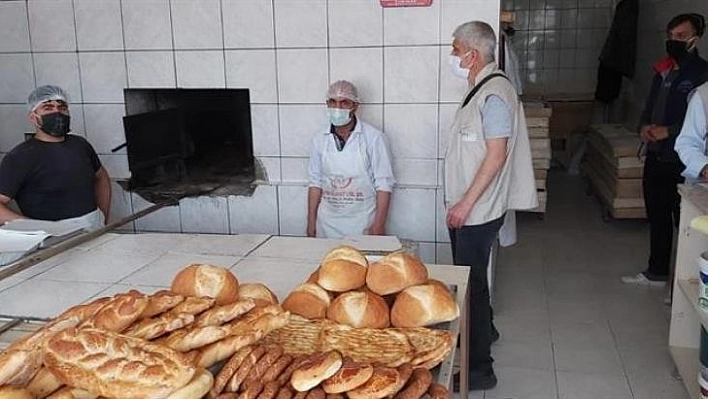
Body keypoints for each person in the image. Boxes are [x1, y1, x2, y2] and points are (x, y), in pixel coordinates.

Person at [445, 21, 537, 391]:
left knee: (471, 287)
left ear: (473, 53)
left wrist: (465, 205)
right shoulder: (481, 89)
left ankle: (480, 368)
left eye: (455, 49)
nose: (452, 56)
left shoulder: (494, 93)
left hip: (477, 212)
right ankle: (489, 331)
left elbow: (496, 156)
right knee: (474, 279)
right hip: (473, 208)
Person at [622, 14, 708, 286]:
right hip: (656, 153)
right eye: (671, 36)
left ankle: (687, 279)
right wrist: (644, 126)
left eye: (681, 36)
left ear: (697, 38)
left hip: (683, 161)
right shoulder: (664, 70)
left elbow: (696, 122)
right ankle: (657, 271)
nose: (674, 42)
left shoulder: (702, 76)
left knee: (684, 221)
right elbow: (650, 104)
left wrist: (668, 131)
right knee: (656, 214)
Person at [0, 85, 111, 231]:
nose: (57, 112)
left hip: (92, 226)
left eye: (62, 107)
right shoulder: (21, 156)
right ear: (33, 117)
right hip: (51, 236)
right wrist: (35, 227)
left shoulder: (80, 144)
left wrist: (102, 217)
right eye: (48, 108)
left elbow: (101, 177)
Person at [306, 80, 395, 239]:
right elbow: (315, 183)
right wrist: (311, 222)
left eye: (344, 103)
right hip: (326, 224)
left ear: (355, 106)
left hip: (362, 223)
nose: (337, 108)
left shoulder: (373, 138)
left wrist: (379, 225)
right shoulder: (319, 139)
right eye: (333, 102)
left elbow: (384, 185)